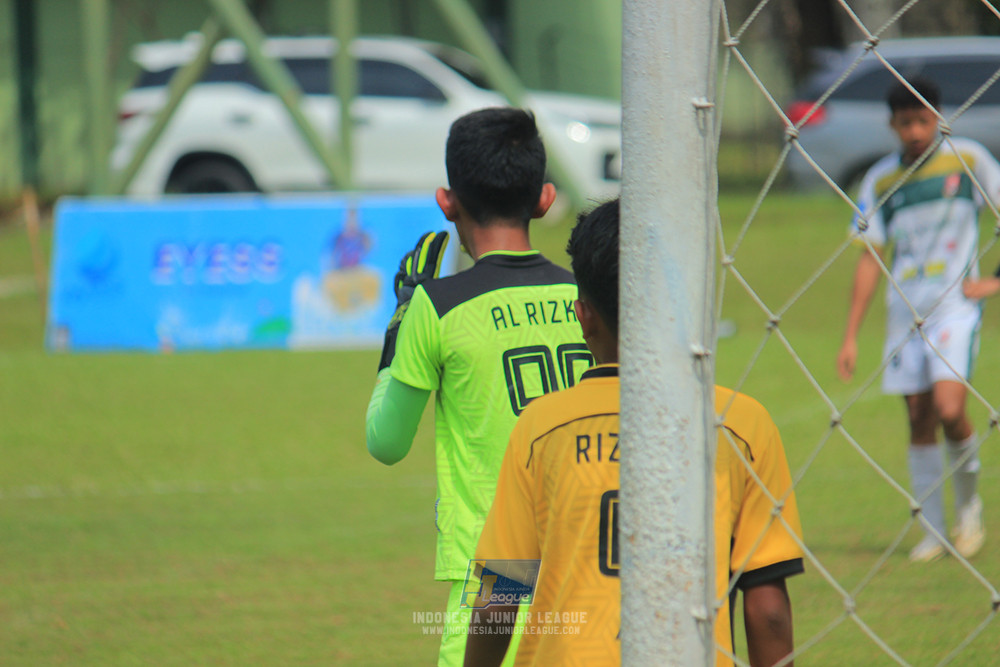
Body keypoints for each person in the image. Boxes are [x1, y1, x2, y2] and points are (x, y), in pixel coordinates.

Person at [465, 199, 804, 667]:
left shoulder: (541, 427)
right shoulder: (741, 424)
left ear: (583, 315)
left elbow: (498, 593)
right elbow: (767, 610)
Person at [365, 107, 592, 666]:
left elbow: (386, 442)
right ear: (544, 199)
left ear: (447, 202)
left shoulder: (438, 306)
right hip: (589, 553)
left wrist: (399, 323)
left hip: (499, 570)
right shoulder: (590, 299)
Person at [836, 76, 1000, 562]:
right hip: (905, 312)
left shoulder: (967, 158)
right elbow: (870, 257)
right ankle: (933, 531)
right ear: (891, 125)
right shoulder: (881, 179)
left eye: (923, 119)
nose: (914, 130)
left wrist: (994, 282)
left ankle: (969, 510)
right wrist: (849, 336)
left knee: (950, 409)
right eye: (905, 122)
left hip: (955, 306)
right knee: (917, 417)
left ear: (938, 116)